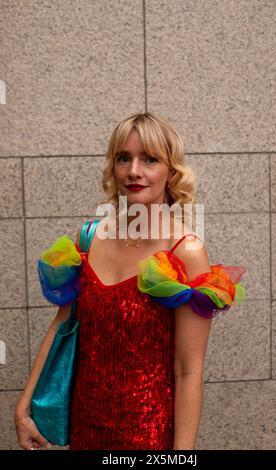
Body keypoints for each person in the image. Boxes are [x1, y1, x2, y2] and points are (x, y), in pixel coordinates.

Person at [14, 112, 246, 450]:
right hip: (86, 429)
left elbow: (188, 370)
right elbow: (62, 324)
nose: (133, 170)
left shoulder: (186, 252)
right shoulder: (88, 237)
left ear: (171, 170)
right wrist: (24, 407)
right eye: (124, 158)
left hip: (148, 438)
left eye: (150, 159)